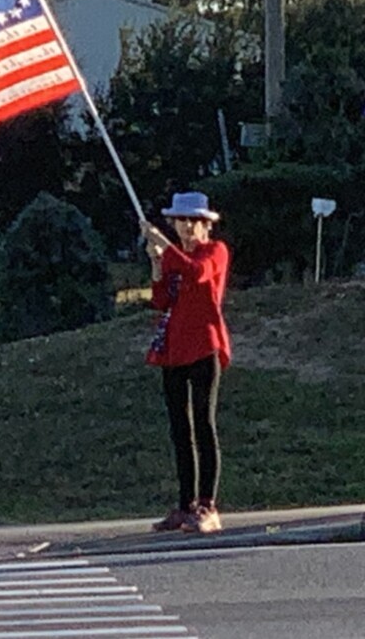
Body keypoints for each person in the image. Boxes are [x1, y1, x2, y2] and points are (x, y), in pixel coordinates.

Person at [141, 192, 231, 533]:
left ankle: (208, 505)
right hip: (174, 348)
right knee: (180, 428)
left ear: (207, 225)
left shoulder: (215, 251)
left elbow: (197, 273)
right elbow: (162, 299)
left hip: (204, 345)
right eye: (181, 220)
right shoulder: (174, 256)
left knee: (204, 424)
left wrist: (164, 246)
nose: (187, 226)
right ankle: (185, 504)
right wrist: (156, 262)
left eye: (194, 221)